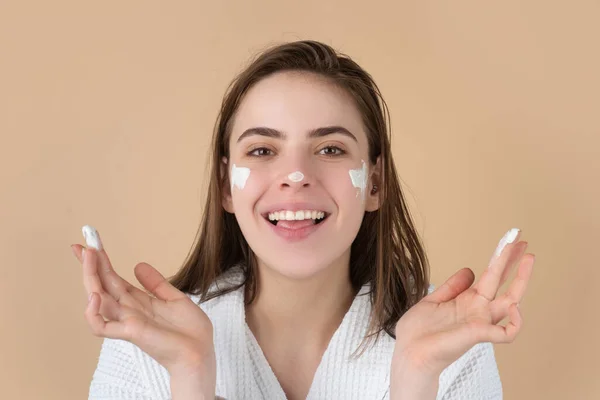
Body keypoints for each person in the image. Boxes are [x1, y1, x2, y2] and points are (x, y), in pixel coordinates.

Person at [71, 40, 535, 400]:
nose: (296, 177)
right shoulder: (146, 346)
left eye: (330, 149)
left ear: (374, 183)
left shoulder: (449, 344)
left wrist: (414, 379)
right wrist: (190, 375)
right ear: (225, 186)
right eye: (262, 150)